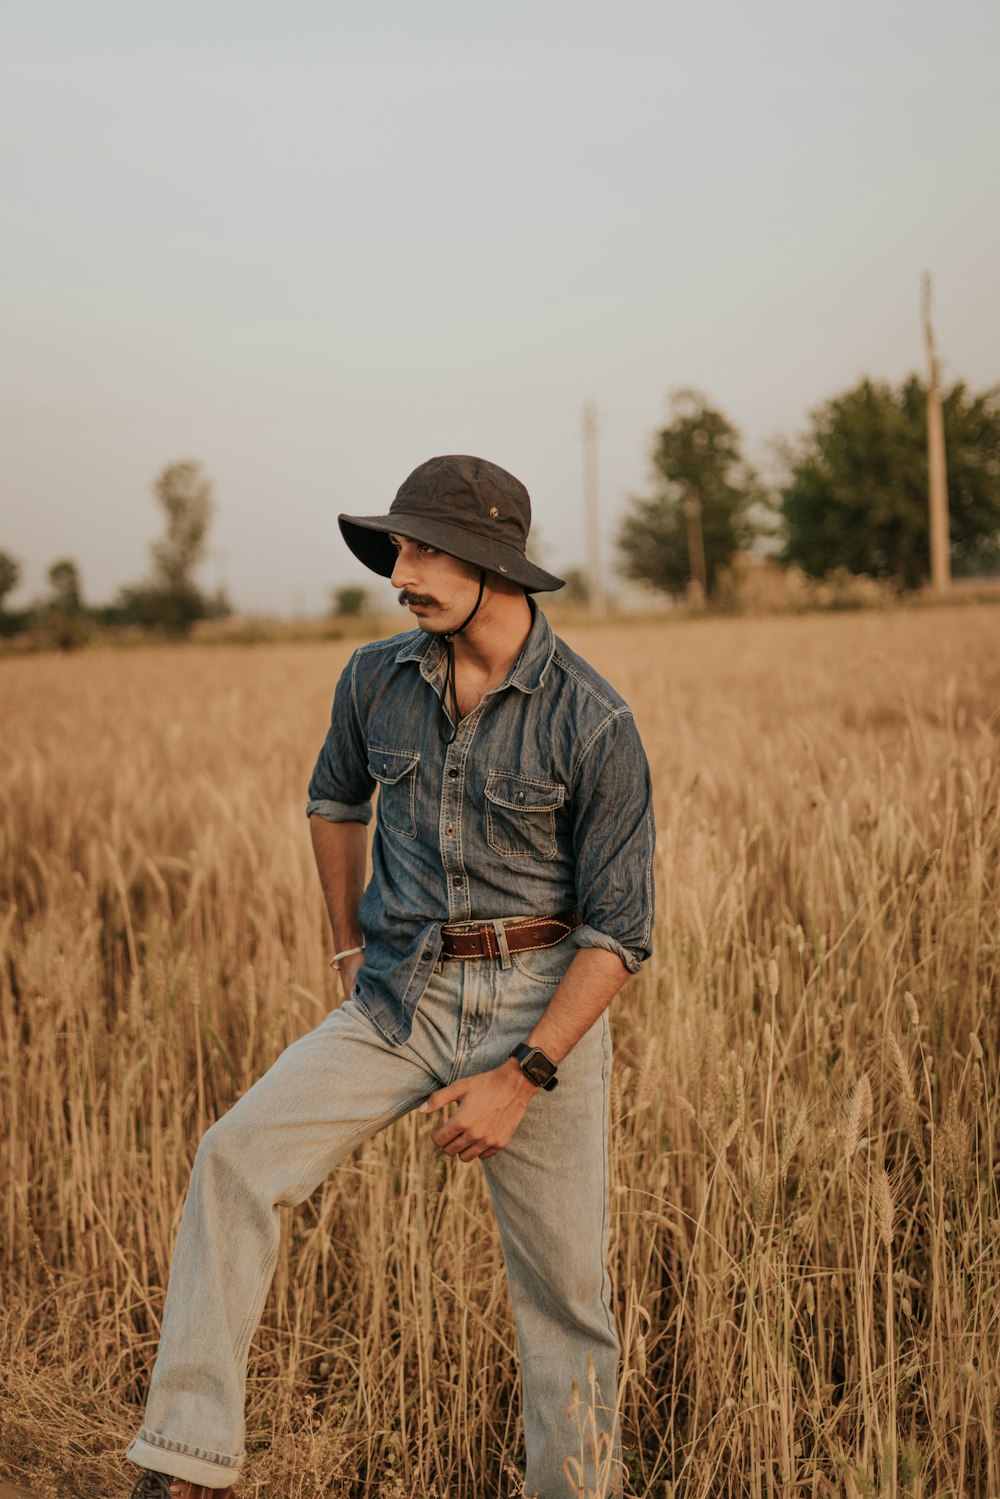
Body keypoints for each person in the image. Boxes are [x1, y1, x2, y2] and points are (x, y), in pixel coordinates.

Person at [126, 455, 655, 1499]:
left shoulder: (594, 721)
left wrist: (522, 1077)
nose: (398, 571)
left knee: (566, 1297)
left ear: (490, 563)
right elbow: (334, 800)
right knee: (234, 1157)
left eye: (418, 549)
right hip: (397, 995)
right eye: (397, 549)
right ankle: (187, 1457)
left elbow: (619, 934)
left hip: (537, 1003)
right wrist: (347, 946)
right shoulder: (374, 676)